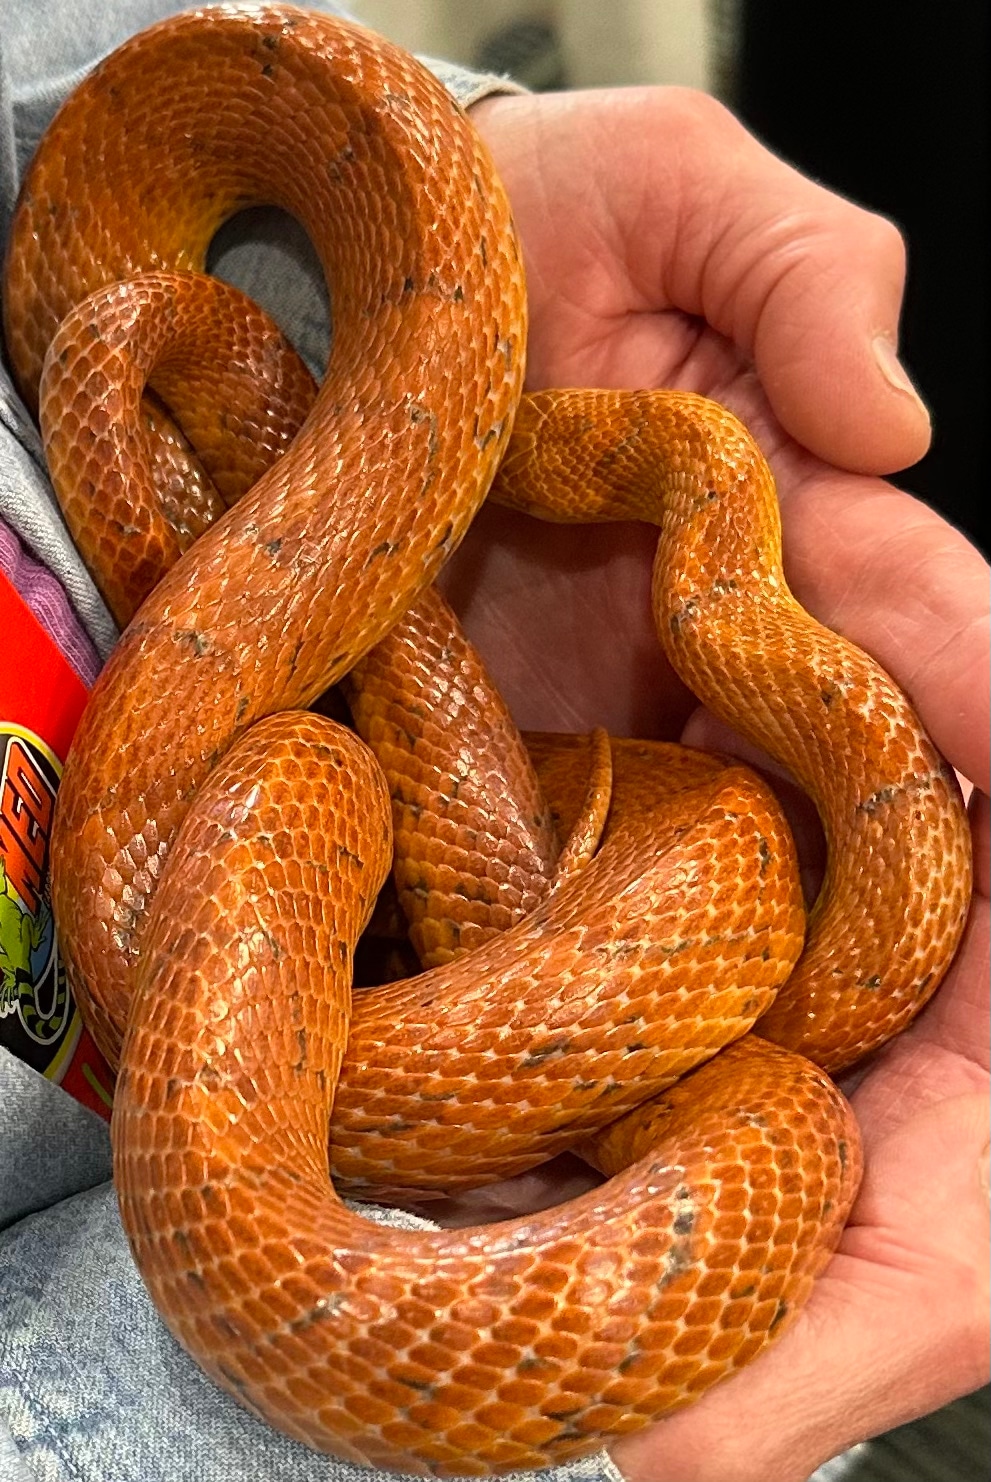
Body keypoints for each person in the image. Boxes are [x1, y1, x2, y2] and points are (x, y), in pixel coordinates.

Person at [0, 3, 987, 1481]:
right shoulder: (322, 743)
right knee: (314, 768)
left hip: (330, 859)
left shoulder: (695, 570)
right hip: (276, 958)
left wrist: (411, 248)